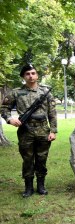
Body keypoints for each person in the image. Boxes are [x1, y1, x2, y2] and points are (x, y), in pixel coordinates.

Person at [0, 64, 57, 197]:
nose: (31, 76)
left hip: (43, 129)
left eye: (33, 73)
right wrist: (9, 119)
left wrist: (53, 131)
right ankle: (28, 187)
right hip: (25, 130)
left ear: (37, 75)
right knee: (27, 159)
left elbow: (52, 113)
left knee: (42, 158)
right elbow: (4, 108)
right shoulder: (16, 92)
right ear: (23, 76)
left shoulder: (45, 92)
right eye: (27, 74)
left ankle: (41, 186)